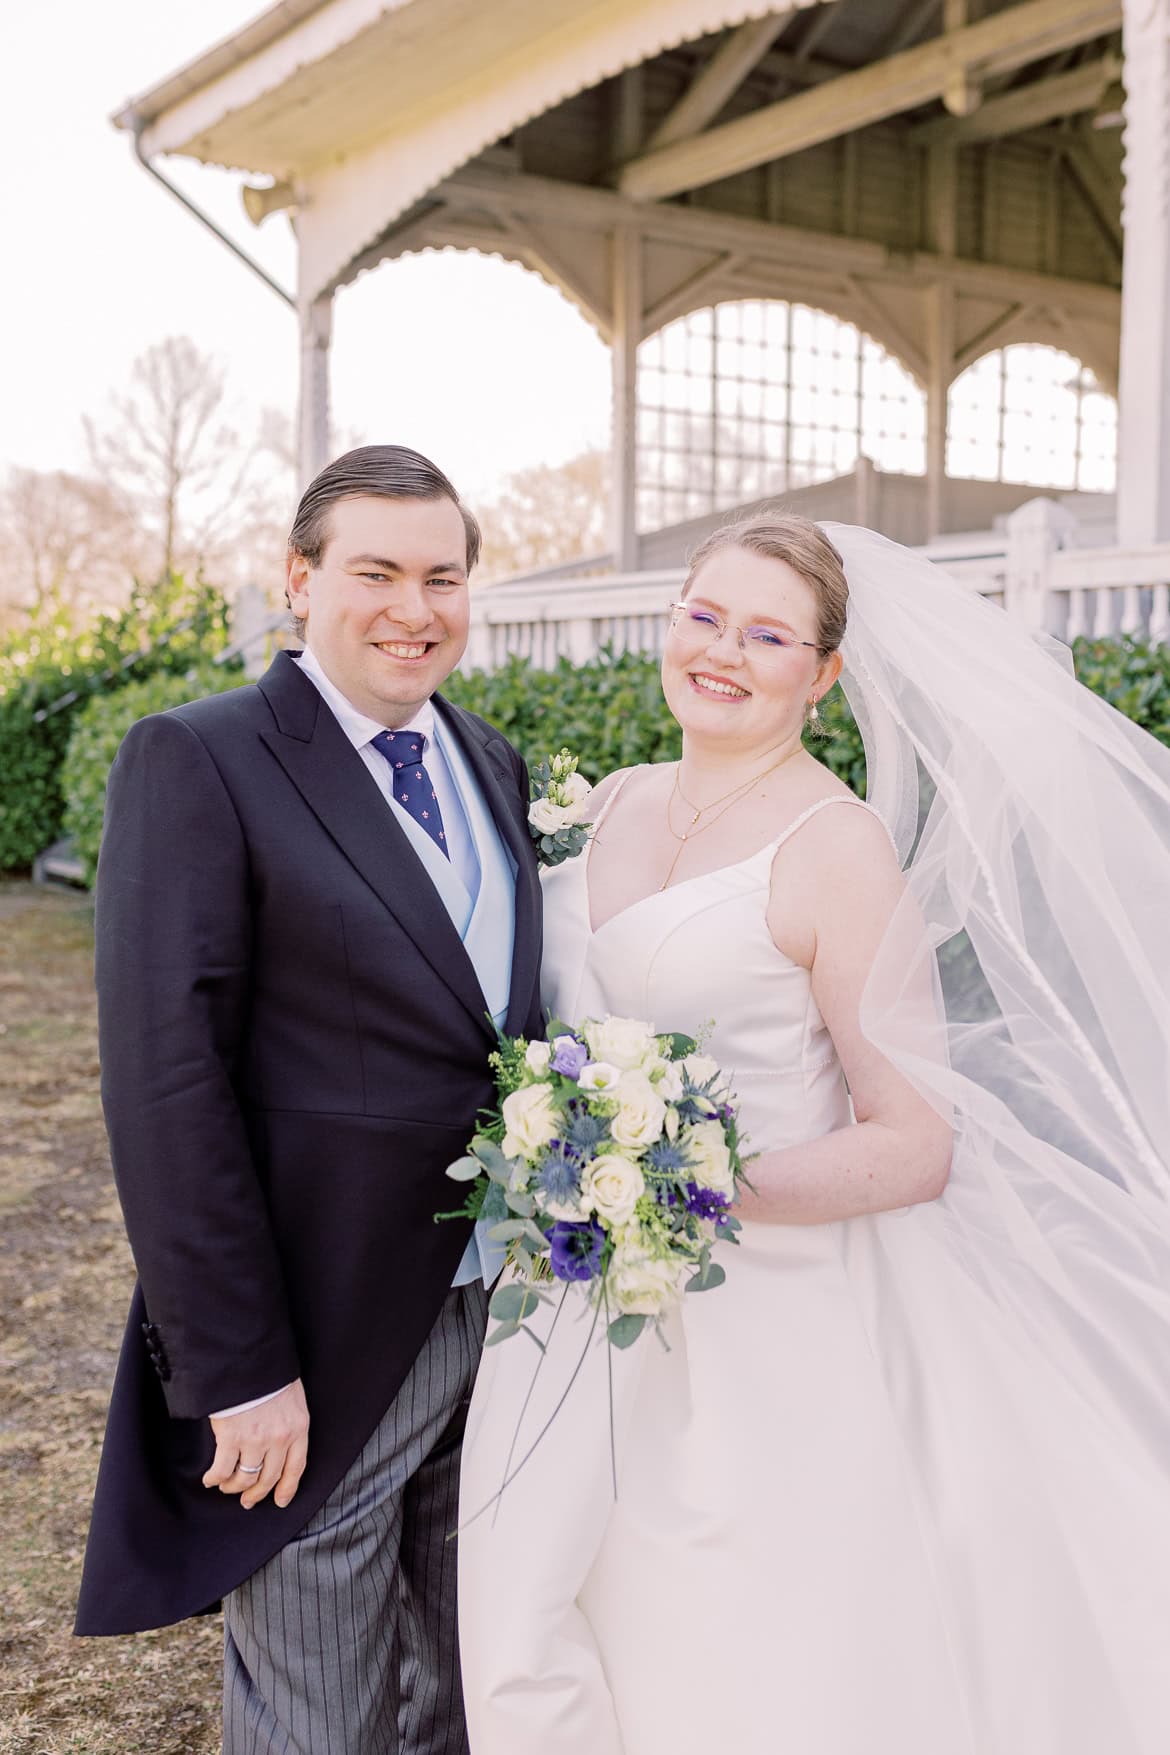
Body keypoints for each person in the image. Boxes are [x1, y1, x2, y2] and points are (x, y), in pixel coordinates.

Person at [458, 513, 1170, 1754]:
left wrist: (680, 1190)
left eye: (770, 635)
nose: (724, 652)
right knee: (530, 1622)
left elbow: (913, 1140)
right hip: (569, 1299)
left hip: (756, 1325)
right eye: (705, 616)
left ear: (825, 674)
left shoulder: (835, 848)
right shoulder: (609, 802)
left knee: (729, 1649)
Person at [75, 445, 544, 1755]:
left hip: (495, 1310)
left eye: (442, 576)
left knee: (464, 1668)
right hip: (316, 1333)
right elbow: (166, 1082)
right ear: (299, 579)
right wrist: (238, 1365)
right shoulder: (200, 758)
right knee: (315, 1698)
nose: (414, 606)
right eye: (375, 571)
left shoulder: (489, 760)